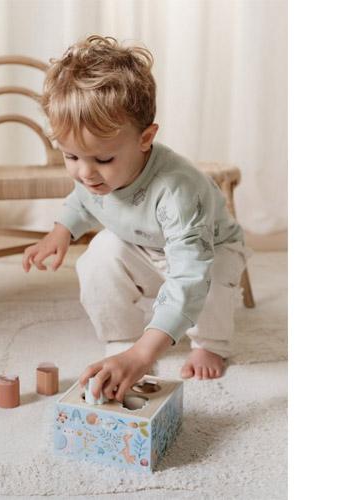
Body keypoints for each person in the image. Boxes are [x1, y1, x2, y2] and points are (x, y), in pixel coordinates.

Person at [22, 35, 250, 403]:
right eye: (71, 157)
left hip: (206, 248)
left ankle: (211, 343)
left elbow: (189, 276)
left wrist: (146, 355)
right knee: (97, 256)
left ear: (145, 139)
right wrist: (60, 231)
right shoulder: (92, 176)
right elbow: (82, 200)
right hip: (145, 245)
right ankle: (122, 338)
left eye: (103, 159)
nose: (85, 173)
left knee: (210, 278)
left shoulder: (177, 191)